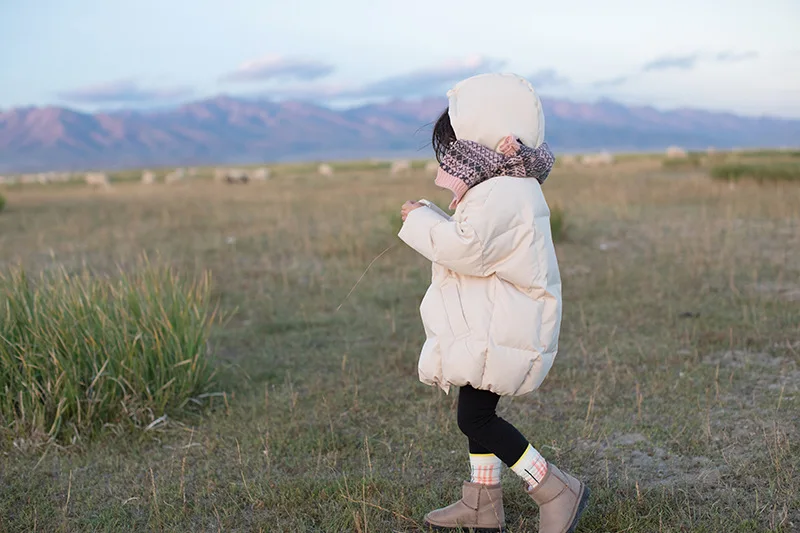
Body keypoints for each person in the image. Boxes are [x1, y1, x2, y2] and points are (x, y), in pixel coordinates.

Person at [398, 73, 589, 533]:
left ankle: (554, 488)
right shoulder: (504, 183)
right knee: (475, 411)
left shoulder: (502, 188)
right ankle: (482, 502)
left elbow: (469, 248)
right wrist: (439, 217)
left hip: (503, 324)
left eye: (452, 142)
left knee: (476, 417)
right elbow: (481, 242)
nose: (450, 154)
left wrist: (421, 219)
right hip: (495, 321)